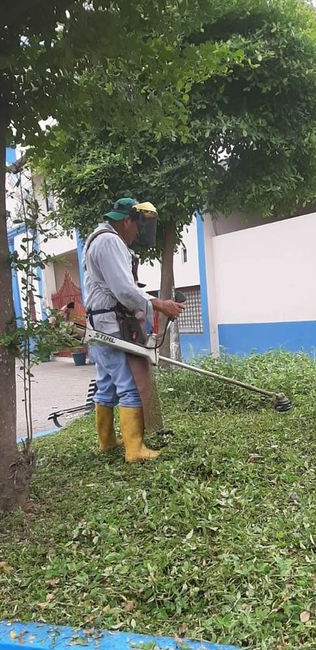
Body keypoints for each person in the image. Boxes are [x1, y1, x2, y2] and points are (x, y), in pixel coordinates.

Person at [83, 197, 184, 462]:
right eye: (138, 226)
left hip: (99, 323)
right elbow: (125, 290)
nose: (139, 232)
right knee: (129, 386)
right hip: (110, 326)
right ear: (126, 221)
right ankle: (135, 449)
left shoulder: (98, 238)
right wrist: (160, 304)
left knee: (106, 384)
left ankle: (107, 441)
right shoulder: (110, 242)